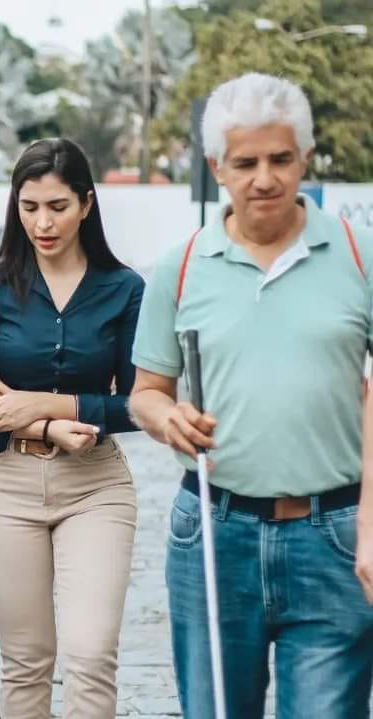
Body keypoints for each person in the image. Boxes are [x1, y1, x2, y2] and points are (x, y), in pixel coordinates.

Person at [129, 73, 373, 719]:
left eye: (280, 159)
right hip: (213, 530)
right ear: (217, 168)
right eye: (246, 162)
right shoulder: (179, 265)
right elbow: (145, 392)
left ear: (305, 159)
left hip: (336, 537)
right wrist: (167, 417)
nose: (264, 178)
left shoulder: (359, 252)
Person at [0, 138, 143, 718]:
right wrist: (47, 424)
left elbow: (136, 404)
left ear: (86, 203)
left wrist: (35, 403)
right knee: (26, 662)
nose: (42, 222)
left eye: (57, 206)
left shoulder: (125, 289)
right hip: (3, 485)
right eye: (29, 207)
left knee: (91, 653)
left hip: (96, 487)